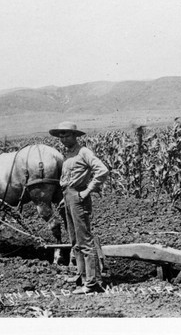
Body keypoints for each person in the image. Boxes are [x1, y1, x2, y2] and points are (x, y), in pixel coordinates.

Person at [49, 121, 109, 294]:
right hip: (68, 197)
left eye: (67, 134)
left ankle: (91, 283)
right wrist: (64, 198)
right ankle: (81, 275)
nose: (63, 138)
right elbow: (68, 178)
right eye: (61, 135)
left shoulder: (83, 152)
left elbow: (102, 170)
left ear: (75, 136)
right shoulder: (67, 154)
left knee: (85, 241)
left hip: (78, 197)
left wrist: (88, 190)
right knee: (75, 241)